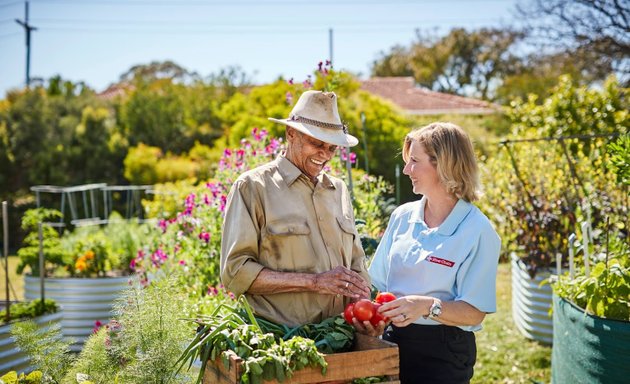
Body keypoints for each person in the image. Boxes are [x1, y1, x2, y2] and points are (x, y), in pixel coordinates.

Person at [220, 90, 371, 327]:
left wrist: (365, 308)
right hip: (281, 344)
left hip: (341, 338)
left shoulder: (338, 190)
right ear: (291, 134)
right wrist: (314, 282)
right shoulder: (253, 187)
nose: (325, 154)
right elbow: (236, 272)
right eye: (316, 143)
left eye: (332, 148)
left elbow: (357, 265)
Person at [365, 122, 501, 384]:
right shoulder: (402, 217)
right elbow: (377, 282)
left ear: (444, 165)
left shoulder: (477, 230)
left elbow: (474, 312)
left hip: (443, 351)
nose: (407, 170)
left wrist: (426, 307)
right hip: (392, 340)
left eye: (414, 161)